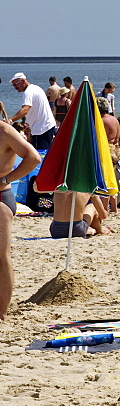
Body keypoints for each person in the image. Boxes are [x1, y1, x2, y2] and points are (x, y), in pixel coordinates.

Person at [0, 121, 41, 319]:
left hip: (0, 196)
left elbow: (33, 158)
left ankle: (1, 312)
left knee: (1, 256)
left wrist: (6, 179)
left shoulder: (4, 131)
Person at [8, 73, 58, 150]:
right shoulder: (36, 88)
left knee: (40, 155)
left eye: (15, 84)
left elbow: (25, 109)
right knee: (46, 152)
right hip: (47, 126)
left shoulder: (27, 92)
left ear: (23, 81)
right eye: (13, 85)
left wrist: (10, 120)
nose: (15, 87)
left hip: (41, 129)